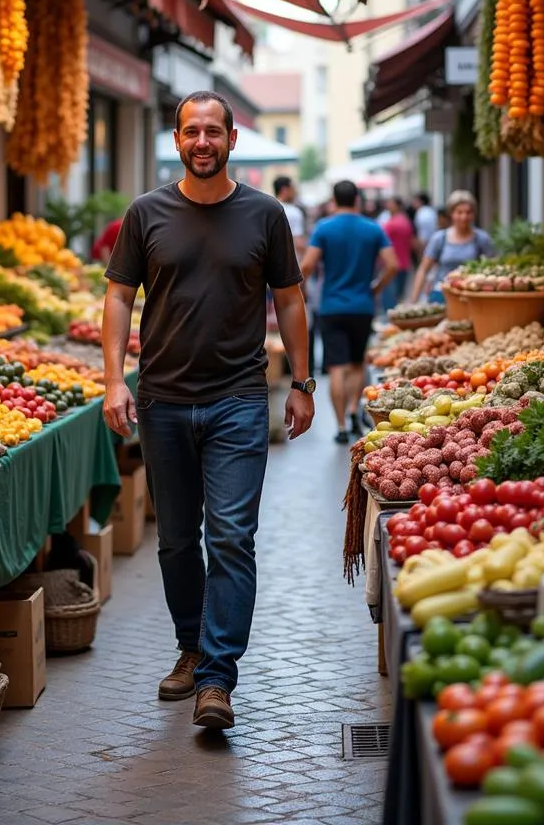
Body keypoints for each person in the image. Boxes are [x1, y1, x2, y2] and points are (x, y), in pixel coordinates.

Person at [101, 90, 314, 732]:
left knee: (229, 537)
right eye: (191, 131)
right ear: (176, 140)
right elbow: (117, 299)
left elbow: (292, 300)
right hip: (163, 400)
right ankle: (190, 646)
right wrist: (115, 378)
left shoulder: (265, 214)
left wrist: (301, 382)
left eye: (213, 132)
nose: (202, 142)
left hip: (239, 401)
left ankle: (217, 678)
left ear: (231, 141)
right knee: (174, 543)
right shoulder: (146, 214)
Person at [301, 181, 398, 444]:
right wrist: (375, 287)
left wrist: (301, 291)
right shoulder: (372, 228)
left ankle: (341, 425)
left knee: (336, 368)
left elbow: (307, 266)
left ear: (333, 200)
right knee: (357, 363)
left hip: (331, 306)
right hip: (362, 305)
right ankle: (355, 410)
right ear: (357, 199)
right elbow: (392, 264)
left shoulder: (324, 228)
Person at [410, 189, 495, 304]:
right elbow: (423, 269)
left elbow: (492, 269)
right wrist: (413, 301)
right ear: (451, 214)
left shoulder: (481, 239)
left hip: (471, 298)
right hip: (441, 296)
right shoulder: (440, 238)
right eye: (459, 212)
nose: (464, 217)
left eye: (468, 212)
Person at [379, 197, 414, 312]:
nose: (388, 205)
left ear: (397, 206)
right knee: (399, 297)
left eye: (390, 203)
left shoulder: (392, 224)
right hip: (404, 263)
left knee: (390, 301)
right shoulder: (405, 221)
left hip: (391, 265)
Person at [273, 175, 306, 251]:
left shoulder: (268, 208)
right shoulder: (294, 211)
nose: (295, 192)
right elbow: (299, 244)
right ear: (284, 190)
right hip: (291, 259)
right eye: (293, 189)